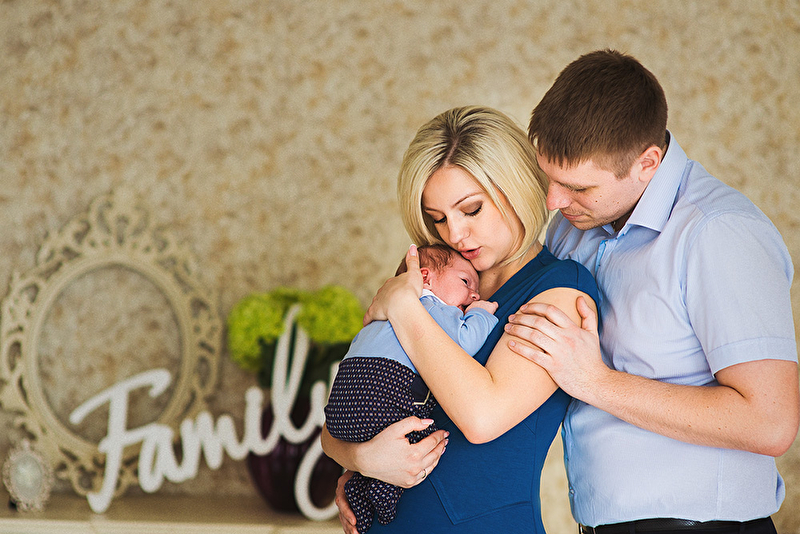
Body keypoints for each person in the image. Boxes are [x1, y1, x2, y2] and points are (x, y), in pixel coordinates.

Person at [502, 49, 799, 534]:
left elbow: (770, 423)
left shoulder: (718, 232)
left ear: (647, 163)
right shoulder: (572, 227)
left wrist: (594, 381)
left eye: (579, 186)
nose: (554, 201)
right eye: (548, 178)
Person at [321, 105, 599, 533]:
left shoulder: (559, 290)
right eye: (438, 219)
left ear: (516, 186)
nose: (454, 234)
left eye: (471, 210)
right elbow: (341, 416)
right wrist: (362, 459)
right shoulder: (441, 281)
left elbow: (481, 417)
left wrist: (402, 306)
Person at [325, 244, 499, 533]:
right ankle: (383, 497)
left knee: (381, 453)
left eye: (476, 291)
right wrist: (481, 313)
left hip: (340, 412)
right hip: (383, 396)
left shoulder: (380, 317)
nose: (474, 295)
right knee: (419, 437)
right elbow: (466, 340)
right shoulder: (428, 306)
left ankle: (363, 493)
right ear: (425, 278)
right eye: (465, 282)